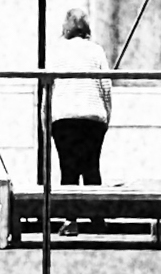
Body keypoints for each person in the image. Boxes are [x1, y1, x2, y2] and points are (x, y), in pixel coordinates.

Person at [43, 12, 111, 185]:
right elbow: (106, 87)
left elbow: (48, 88)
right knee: (92, 170)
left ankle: (69, 211)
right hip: (92, 117)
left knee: (68, 172)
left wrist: (46, 120)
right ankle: (95, 211)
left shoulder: (56, 52)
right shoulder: (96, 51)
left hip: (64, 118)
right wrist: (106, 116)